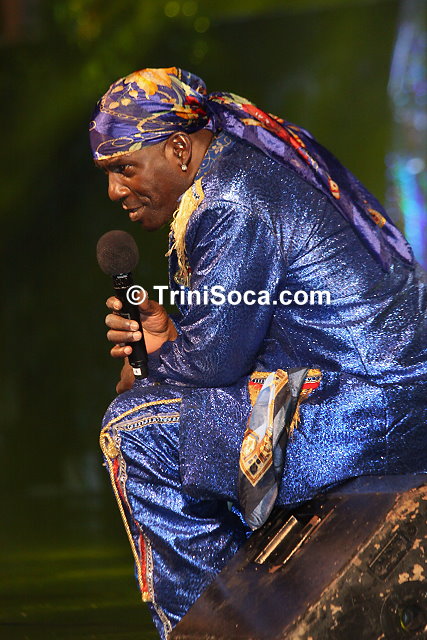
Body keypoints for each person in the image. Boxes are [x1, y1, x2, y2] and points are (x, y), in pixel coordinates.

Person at [90, 67, 427, 639]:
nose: (114, 191)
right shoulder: (235, 172)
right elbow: (226, 341)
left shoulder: (229, 198)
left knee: (134, 428)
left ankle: (216, 625)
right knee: (181, 418)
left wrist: (151, 362)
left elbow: (213, 363)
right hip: (380, 395)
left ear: (178, 150)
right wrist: (168, 341)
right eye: (107, 173)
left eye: (124, 167)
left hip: (370, 410)